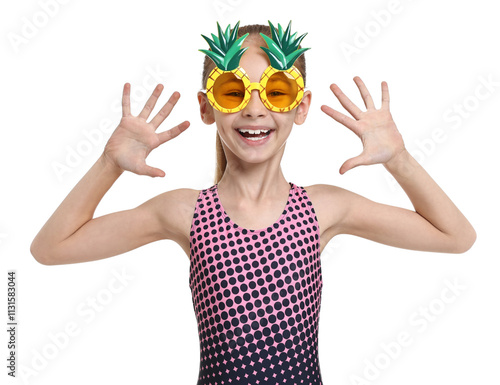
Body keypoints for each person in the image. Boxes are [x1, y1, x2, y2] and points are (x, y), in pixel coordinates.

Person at [30, 21, 476, 385]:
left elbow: (456, 236)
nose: (255, 109)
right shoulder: (185, 212)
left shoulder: (323, 208)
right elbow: (50, 248)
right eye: (233, 91)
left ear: (300, 107)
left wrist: (398, 159)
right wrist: (110, 163)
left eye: (276, 91)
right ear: (208, 108)